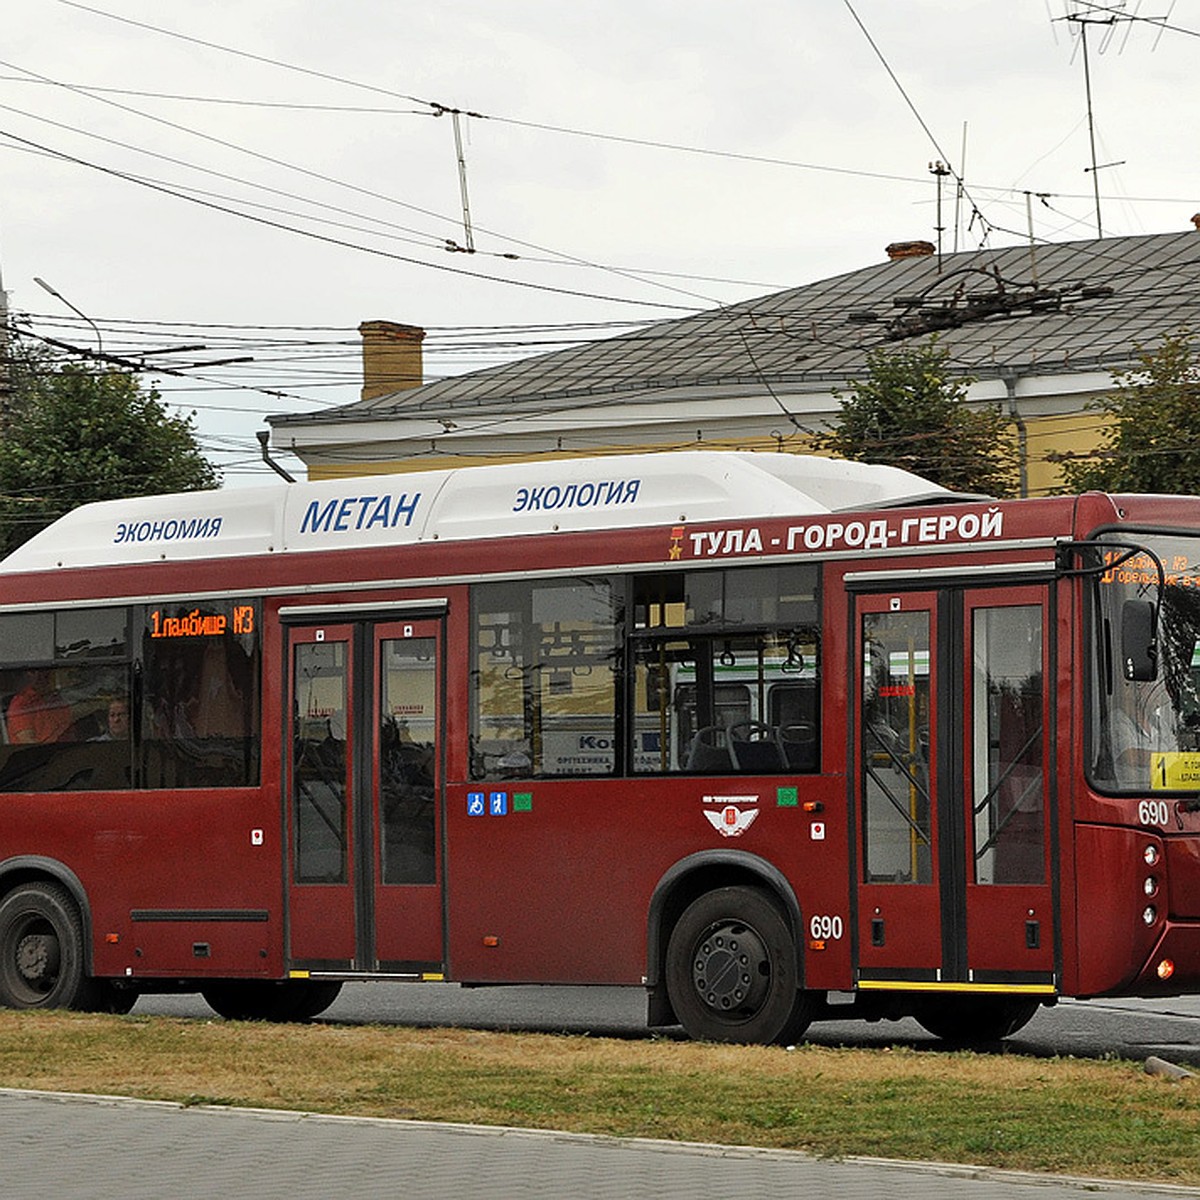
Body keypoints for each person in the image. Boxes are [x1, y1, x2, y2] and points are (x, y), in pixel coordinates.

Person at [6, 669, 72, 744]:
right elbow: (28, 742)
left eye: (45, 672)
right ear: (27, 675)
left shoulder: (58, 701)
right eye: (34, 671)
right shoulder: (22, 704)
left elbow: (70, 733)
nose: (40, 676)